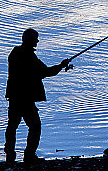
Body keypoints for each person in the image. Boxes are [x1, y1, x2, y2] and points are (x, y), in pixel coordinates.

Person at [4, 28, 71, 163]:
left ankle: (10, 154)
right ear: (30, 40)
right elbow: (45, 72)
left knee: (12, 125)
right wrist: (61, 65)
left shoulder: (15, 52)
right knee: (35, 126)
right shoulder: (28, 56)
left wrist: (59, 66)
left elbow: (40, 71)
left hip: (14, 96)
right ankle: (29, 155)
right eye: (35, 39)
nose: (37, 41)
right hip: (25, 98)